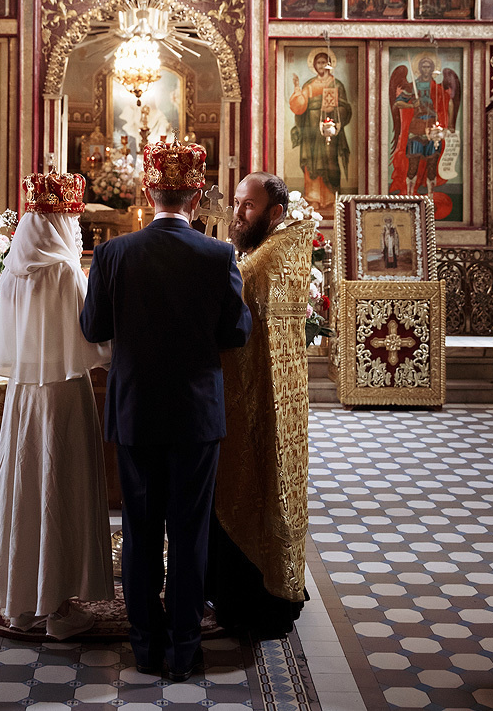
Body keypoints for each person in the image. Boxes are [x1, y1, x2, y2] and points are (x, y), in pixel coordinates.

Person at [80, 137, 251, 680]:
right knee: (190, 528)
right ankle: (184, 647)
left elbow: (93, 328)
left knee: (140, 527)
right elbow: (236, 332)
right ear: (196, 198)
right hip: (197, 414)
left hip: (134, 412)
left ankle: (145, 645)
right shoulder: (219, 254)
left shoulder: (112, 254)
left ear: (147, 194)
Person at [0, 171, 114, 637]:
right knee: (60, 489)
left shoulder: (13, 269)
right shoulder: (64, 270)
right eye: (71, 220)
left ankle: (19, 603)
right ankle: (58, 608)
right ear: (60, 222)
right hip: (64, 395)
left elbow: (5, 343)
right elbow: (94, 341)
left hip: (24, 396)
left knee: (24, 488)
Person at [208, 171, 314, 638]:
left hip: (255, 405)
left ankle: (250, 602)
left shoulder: (264, 262)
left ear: (275, 212)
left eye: (246, 207)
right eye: (234, 203)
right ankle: (275, 585)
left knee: (248, 487)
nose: (236, 214)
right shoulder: (282, 251)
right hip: (275, 400)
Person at [289, 50, 351, 213]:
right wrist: (296, 87)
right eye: (318, 63)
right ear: (314, 65)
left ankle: (331, 199)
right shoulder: (310, 84)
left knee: (330, 162)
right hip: (311, 130)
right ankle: (313, 198)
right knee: (311, 163)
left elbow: (345, 107)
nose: (321, 66)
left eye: (324, 62)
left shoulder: (337, 85)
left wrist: (335, 109)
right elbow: (300, 106)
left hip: (329, 130)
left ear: (329, 64)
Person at [389, 55, 460, 197]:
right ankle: (409, 195)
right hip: (416, 128)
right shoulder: (412, 86)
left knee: (432, 164)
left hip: (433, 128)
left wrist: (451, 123)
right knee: (413, 164)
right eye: (423, 66)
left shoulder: (438, 88)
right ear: (419, 69)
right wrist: (411, 104)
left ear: (433, 69)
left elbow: (450, 102)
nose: (426, 69)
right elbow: (397, 102)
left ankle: (430, 196)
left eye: (428, 67)